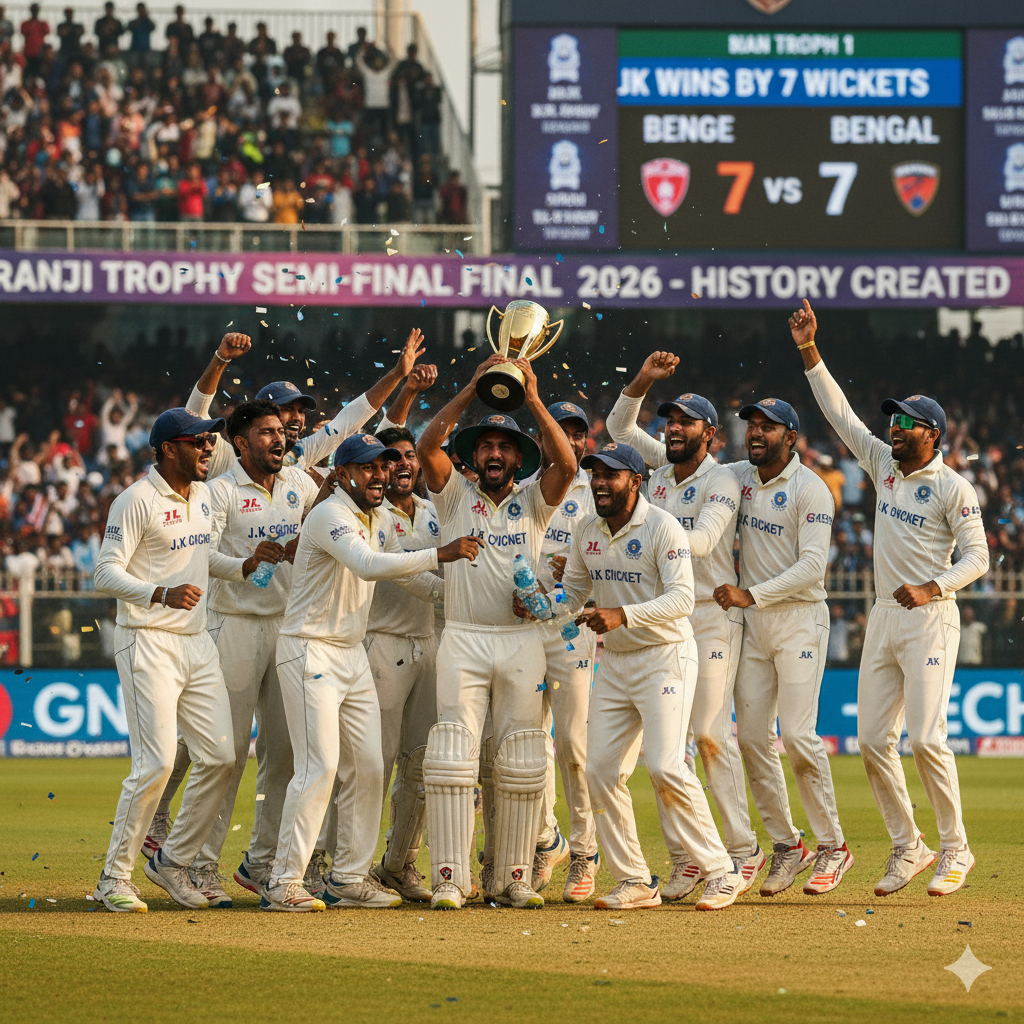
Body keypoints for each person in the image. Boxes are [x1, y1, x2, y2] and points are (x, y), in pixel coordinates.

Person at [791, 299, 989, 897]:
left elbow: (978, 558)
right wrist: (808, 351)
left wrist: (935, 585)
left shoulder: (954, 487)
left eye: (905, 423)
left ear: (932, 434)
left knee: (927, 738)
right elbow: (841, 415)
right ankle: (910, 847)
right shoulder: (884, 463)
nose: (894, 430)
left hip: (931, 619)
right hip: (883, 616)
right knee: (873, 741)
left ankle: (957, 849)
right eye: (894, 422)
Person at [262, 434, 477, 912]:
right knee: (318, 767)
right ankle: (283, 880)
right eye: (368, 468)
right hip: (309, 649)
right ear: (342, 474)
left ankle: (349, 877)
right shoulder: (329, 515)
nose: (380, 475)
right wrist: (441, 554)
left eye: (384, 467)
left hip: (351, 652)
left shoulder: (376, 517)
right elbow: (367, 564)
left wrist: (459, 599)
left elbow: (402, 575)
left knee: (371, 766)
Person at [416, 354, 577, 910]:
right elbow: (426, 448)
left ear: (517, 457)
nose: (495, 453)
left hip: (520, 641)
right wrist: (473, 387)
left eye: (505, 447)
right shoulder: (454, 494)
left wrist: (531, 397)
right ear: (474, 455)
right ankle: (448, 877)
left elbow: (569, 466)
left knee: (521, 758)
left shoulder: (534, 500)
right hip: (462, 637)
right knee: (453, 757)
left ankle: (511, 877)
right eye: (486, 445)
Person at [553, 442, 744, 910]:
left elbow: (682, 599)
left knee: (664, 765)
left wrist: (623, 615)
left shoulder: (664, 528)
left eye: (611, 475)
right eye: (595, 473)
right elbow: (575, 593)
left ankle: (722, 870)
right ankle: (635, 879)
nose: (599, 482)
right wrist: (544, 606)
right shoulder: (586, 529)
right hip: (616, 663)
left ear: (636, 482)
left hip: (665, 657)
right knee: (598, 770)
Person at [606, 353, 764, 901]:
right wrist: (644, 380)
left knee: (708, 737)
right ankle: (688, 861)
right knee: (667, 753)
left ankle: (742, 851)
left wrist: (650, 529)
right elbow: (617, 429)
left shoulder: (720, 481)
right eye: (669, 420)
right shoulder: (658, 471)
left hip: (708, 616)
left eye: (685, 422)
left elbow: (701, 544)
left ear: (710, 434)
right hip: (659, 620)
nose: (672, 428)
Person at [91, 408, 240, 912]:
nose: (207, 449)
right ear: (167, 448)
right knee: (155, 762)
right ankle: (114, 877)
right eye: (197, 442)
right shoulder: (135, 500)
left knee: (221, 756)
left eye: (208, 442)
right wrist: (159, 593)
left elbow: (199, 560)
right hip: (147, 639)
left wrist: (244, 565)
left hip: (196, 642)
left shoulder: (200, 496)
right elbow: (104, 573)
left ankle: (172, 861)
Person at [713, 396, 852, 897]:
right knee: (751, 738)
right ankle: (788, 847)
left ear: (790, 438)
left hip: (798, 621)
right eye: (751, 424)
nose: (755, 433)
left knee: (796, 735)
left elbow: (814, 567)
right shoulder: (737, 477)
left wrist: (752, 593)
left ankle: (834, 847)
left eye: (767, 427)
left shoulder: (811, 490)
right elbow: (672, 459)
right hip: (754, 625)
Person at [353, 368, 443, 902]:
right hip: (381, 645)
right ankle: (348, 866)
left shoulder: (436, 512)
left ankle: (399, 863)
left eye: (410, 455)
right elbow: (403, 572)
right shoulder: (370, 516)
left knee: (422, 765)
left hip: (430, 646)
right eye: (391, 459)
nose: (404, 463)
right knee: (374, 763)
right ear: (378, 470)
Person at [518, 401, 599, 902]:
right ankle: (546, 840)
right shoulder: (523, 489)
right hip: (526, 629)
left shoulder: (600, 488)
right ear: (542, 438)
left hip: (573, 630)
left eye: (577, 434)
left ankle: (586, 853)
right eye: (559, 433)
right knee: (528, 745)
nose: (570, 441)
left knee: (572, 747)